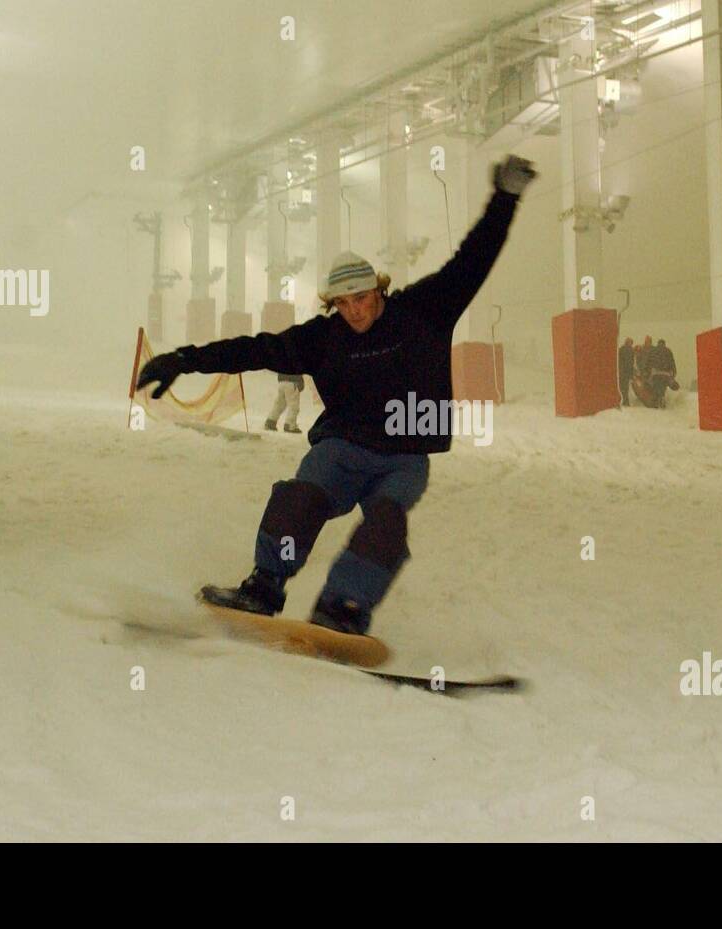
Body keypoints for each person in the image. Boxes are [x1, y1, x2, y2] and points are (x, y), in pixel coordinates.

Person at [136, 154, 537, 636]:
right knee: (301, 499)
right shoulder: (323, 338)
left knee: (386, 522)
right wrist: (182, 359)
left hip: (404, 457)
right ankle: (264, 587)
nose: (354, 312)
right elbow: (254, 349)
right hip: (341, 449)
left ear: (379, 291)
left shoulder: (423, 313)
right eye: (342, 304)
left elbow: (473, 261)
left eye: (362, 299)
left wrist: (505, 197)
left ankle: (343, 606)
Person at [649, 338, 677, 409]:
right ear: (664, 344)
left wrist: (647, 371)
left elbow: (648, 361)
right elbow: (672, 362)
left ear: (658, 344)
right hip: (666, 374)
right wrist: (674, 372)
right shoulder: (668, 351)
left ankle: (655, 402)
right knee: (663, 387)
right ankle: (662, 399)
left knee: (656, 387)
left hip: (656, 373)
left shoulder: (653, 350)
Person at [617, 337, 634, 407]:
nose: (631, 344)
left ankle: (625, 400)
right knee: (625, 387)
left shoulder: (621, 349)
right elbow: (631, 362)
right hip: (626, 371)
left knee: (622, 386)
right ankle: (625, 400)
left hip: (622, 371)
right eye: (630, 342)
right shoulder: (630, 350)